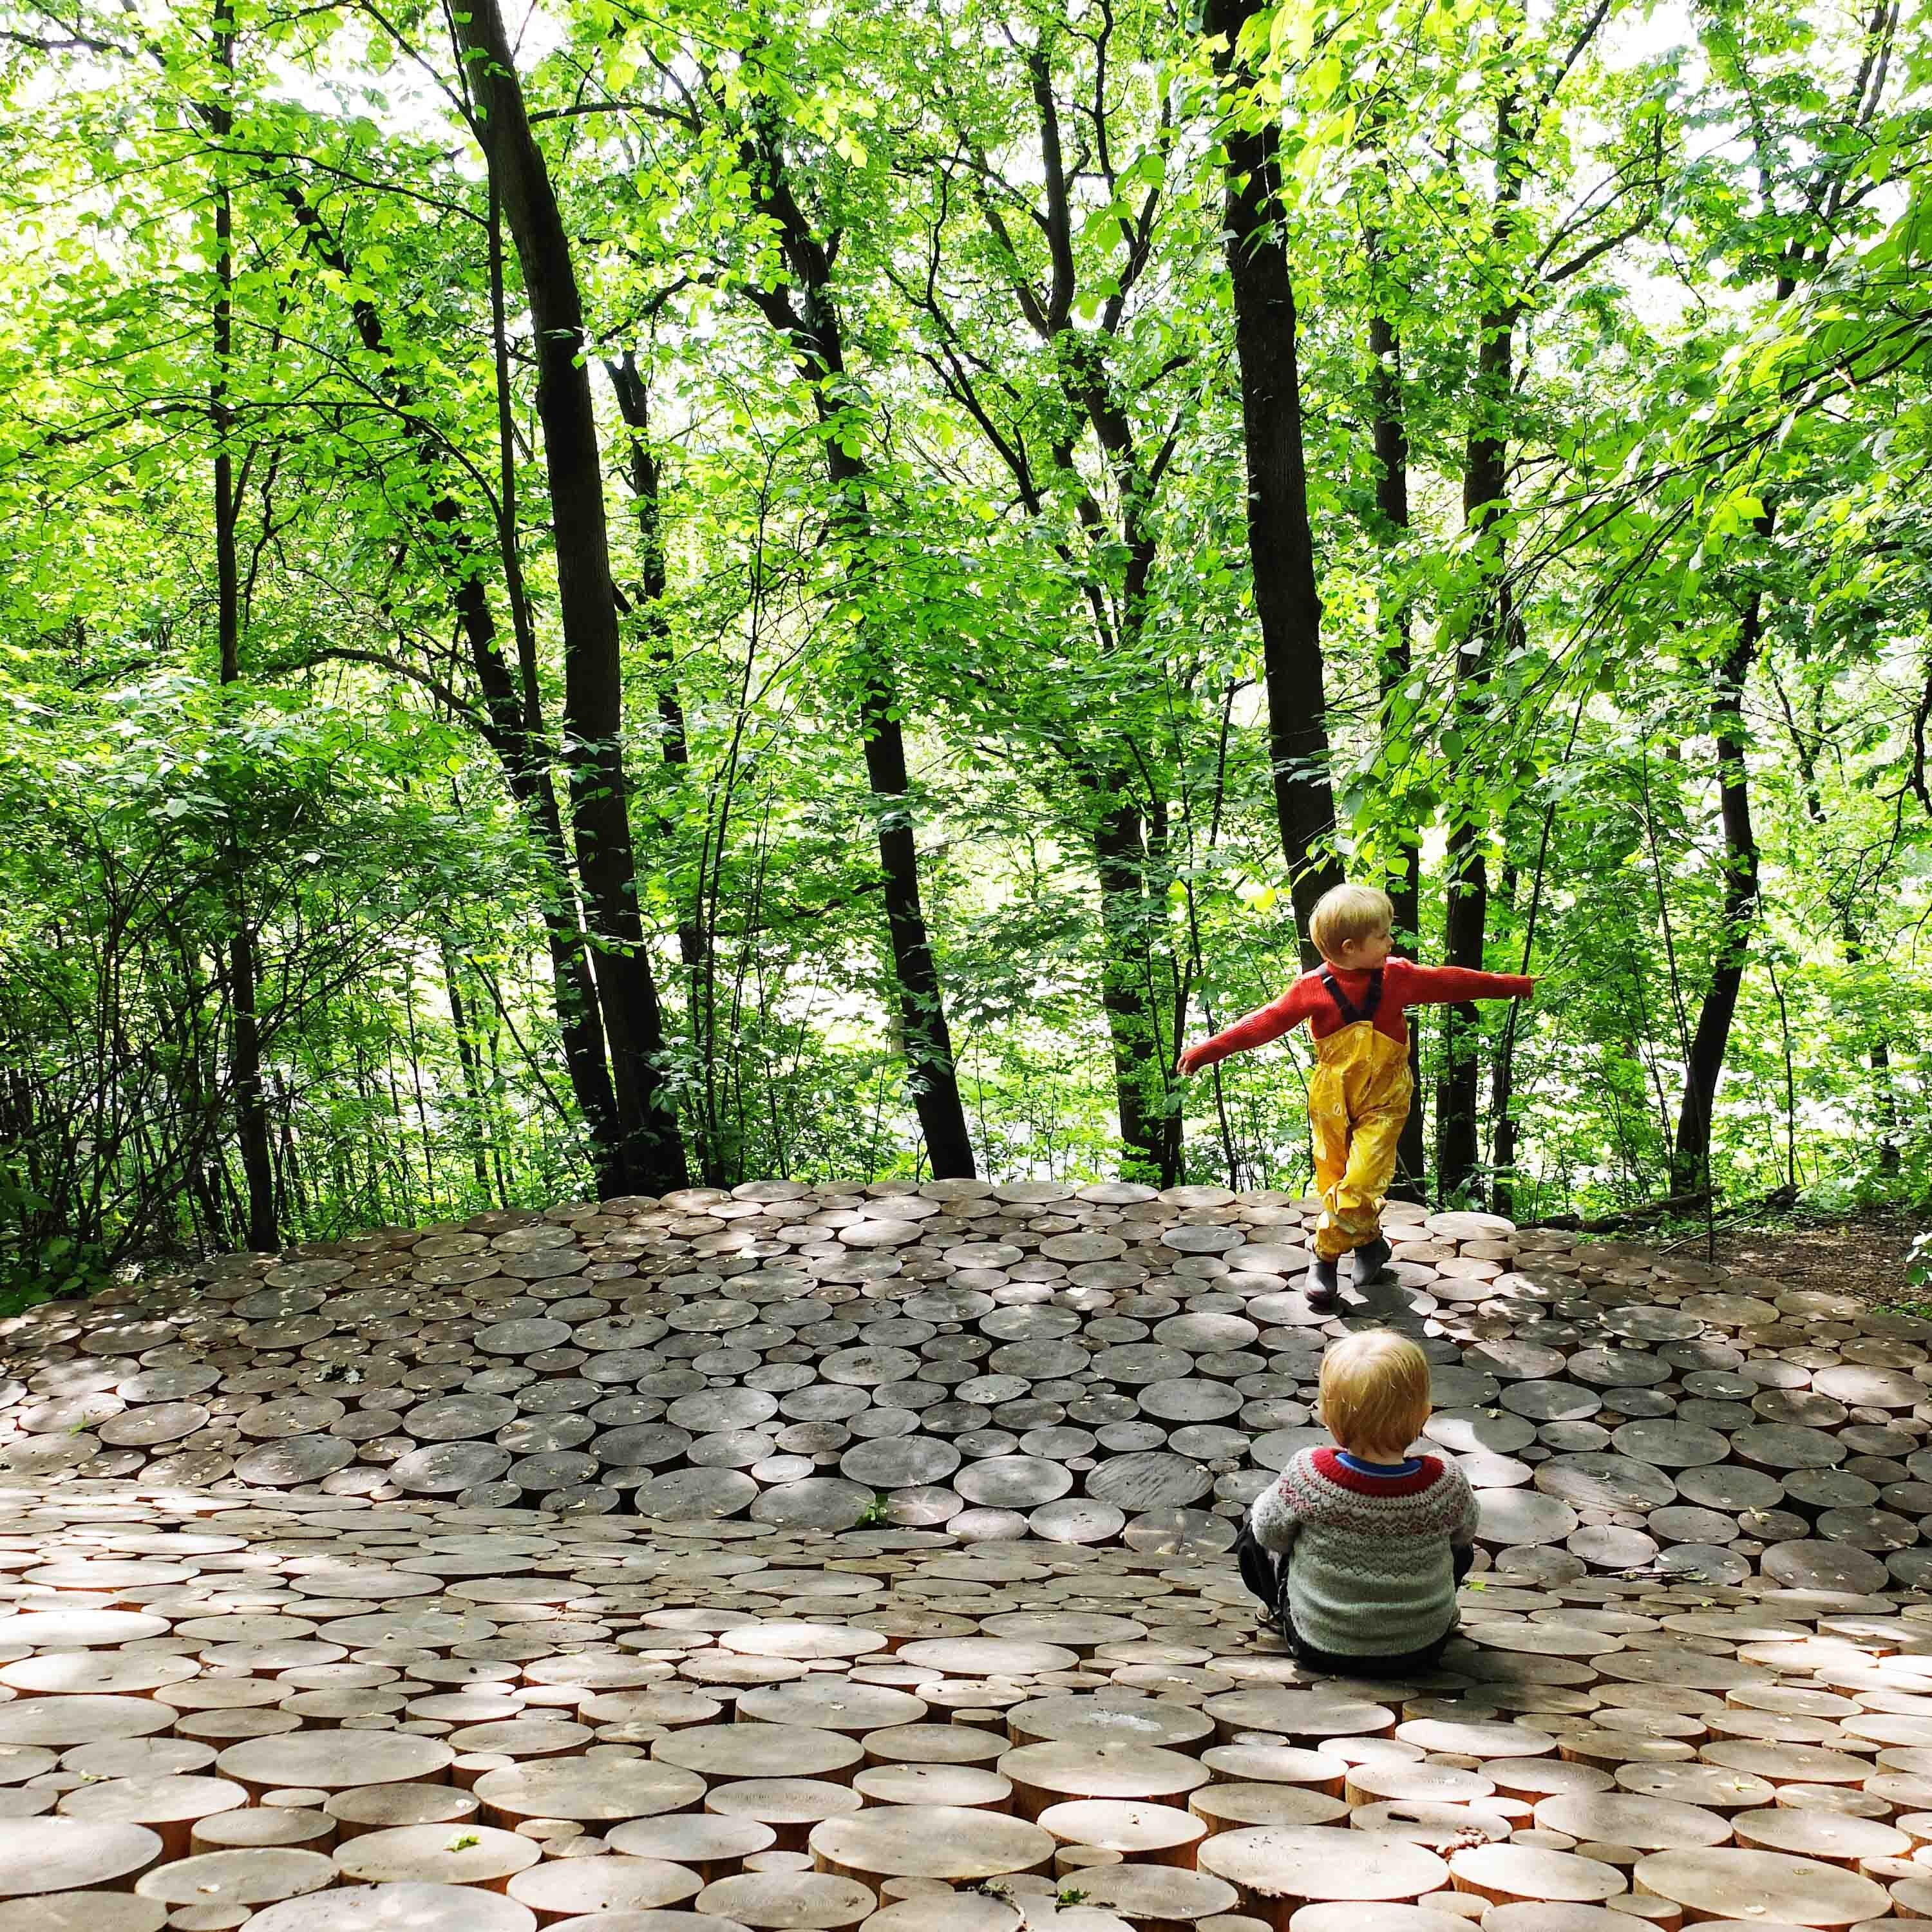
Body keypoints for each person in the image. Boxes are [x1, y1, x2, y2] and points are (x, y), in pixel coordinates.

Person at [1176, 882, 1531, 1310]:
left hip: (1385, 1098)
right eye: (1382, 936)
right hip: (1332, 1099)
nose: (1391, 942)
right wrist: (1206, 1051)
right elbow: (1263, 1023)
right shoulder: (1311, 988)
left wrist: (1512, 984)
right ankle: (1369, 1244)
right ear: (1350, 948)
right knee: (1335, 1180)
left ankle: (1324, 1256)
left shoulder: (1398, 977)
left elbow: (1452, 982)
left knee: (1361, 1180)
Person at [1238, 1330, 1478, 1672]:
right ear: (1425, 1413)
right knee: (1460, 1544)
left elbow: (1269, 1535)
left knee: (1255, 1527)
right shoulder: (1446, 1482)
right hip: (1423, 1647)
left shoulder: (1309, 1475)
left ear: (1329, 1416)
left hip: (1319, 1645)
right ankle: (1437, 1614)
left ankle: (1279, 1612)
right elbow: (1465, 1534)